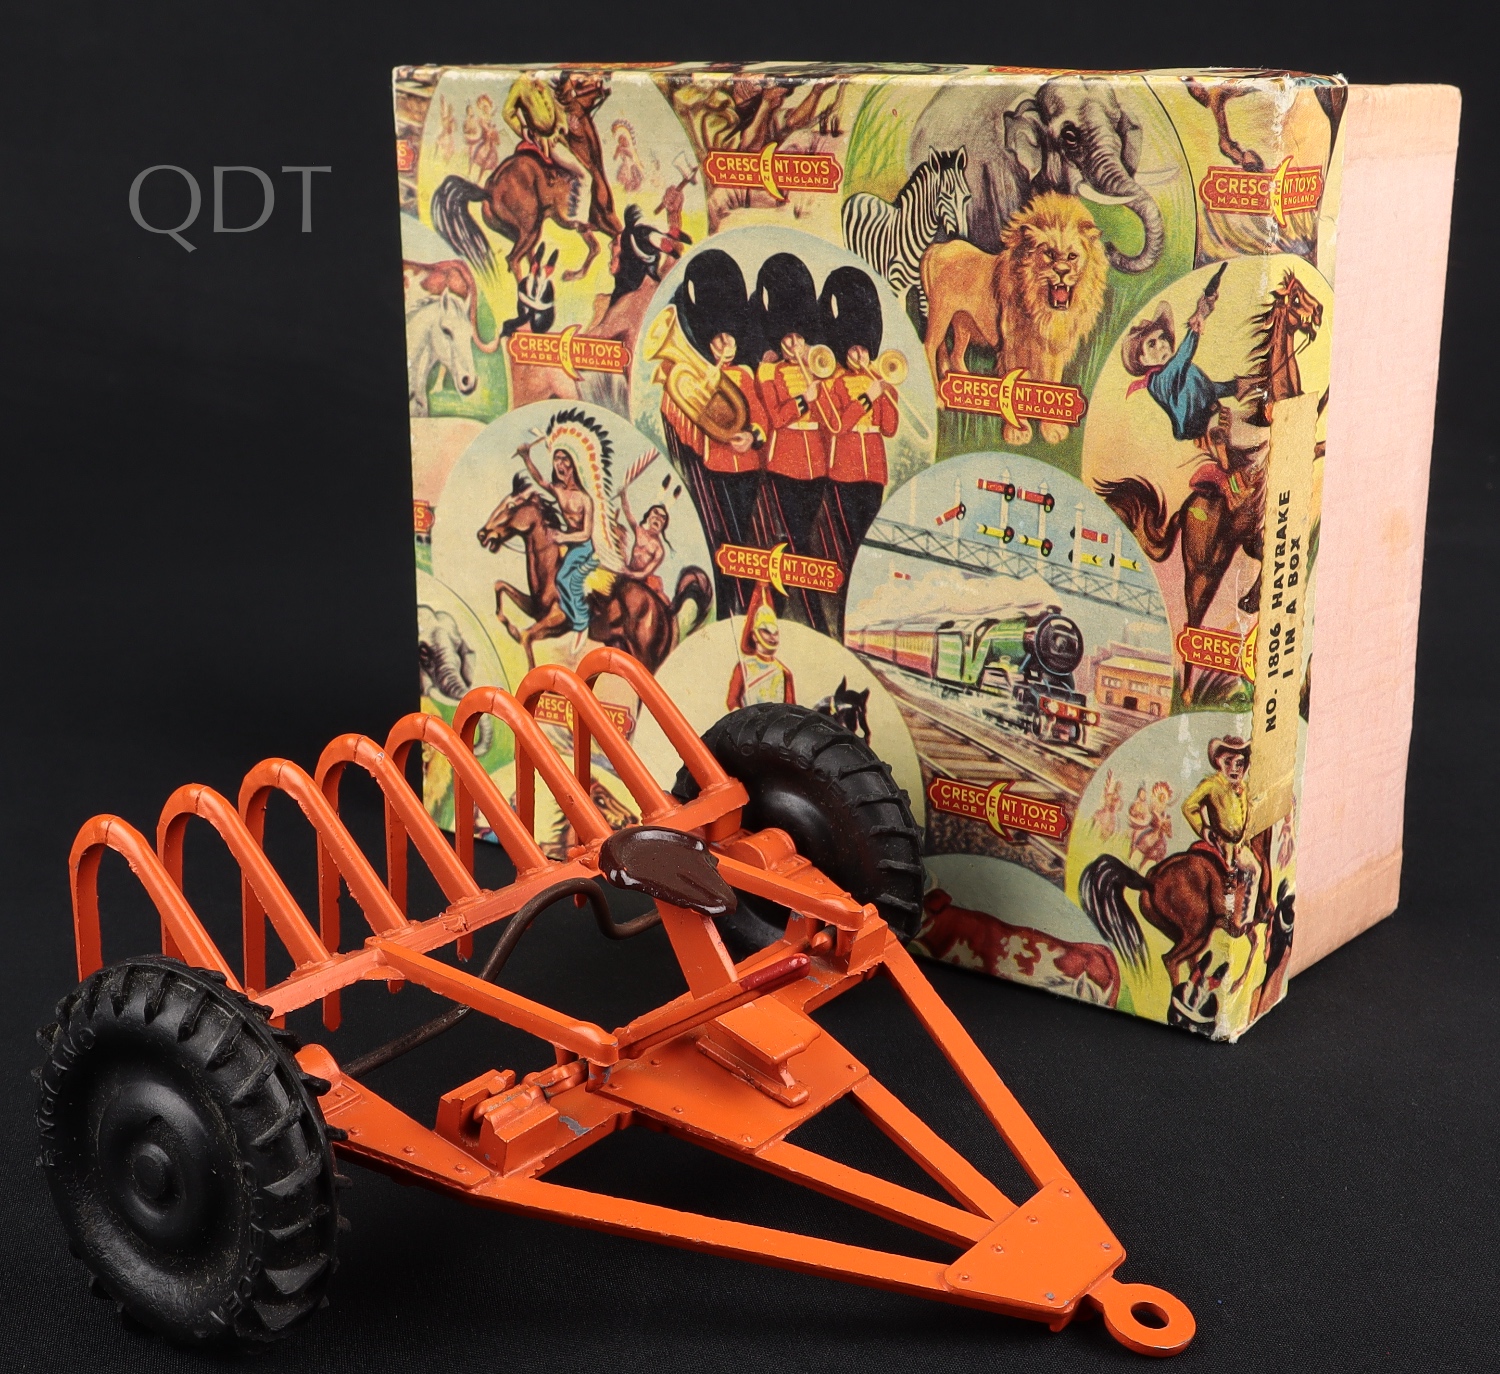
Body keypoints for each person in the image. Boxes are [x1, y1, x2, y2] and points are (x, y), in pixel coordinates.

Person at [817, 265, 897, 639]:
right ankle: (846, 614)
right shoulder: (835, 384)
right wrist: (867, 396)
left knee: (867, 546)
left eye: (863, 348)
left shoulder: (878, 381)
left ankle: (865, 614)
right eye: (853, 349)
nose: (859, 354)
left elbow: (890, 427)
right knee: (850, 549)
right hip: (844, 473)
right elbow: (838, 425)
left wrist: (883, 392)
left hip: (873, 473)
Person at [1121, 266, 1258, 461]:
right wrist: (1196, 324)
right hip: (1204, 428)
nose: (1162, 344)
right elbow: (1181, 358)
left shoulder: (1182, 370)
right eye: (1152, 344)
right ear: (1142, 360)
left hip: (1217, 414)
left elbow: (1204, 389)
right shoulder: (1158, 381)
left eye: (1162, 338)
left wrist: (1236, 386)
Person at [516, 434, 596, 647]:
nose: (559, 464)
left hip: (583, 546)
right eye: (556, 459)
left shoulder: (585, 499)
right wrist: (526, 457)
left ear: (573, 465)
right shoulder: (559, 491)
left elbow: (586, 534)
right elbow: (540, 480)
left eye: (564, 459)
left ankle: (581, 621)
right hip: (568, 544)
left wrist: (564, 537)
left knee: (563, 578)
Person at [1182, 735, 1262, 929]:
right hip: (1221, 842)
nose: (1234, 768)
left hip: (1238, 843)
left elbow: (1246, 813)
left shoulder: (1243, 788)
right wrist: (1204, 829)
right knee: (1228, 878)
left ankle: (1245, 918)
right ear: (1219, 762)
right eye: (1228, 762)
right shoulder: (1212, 785)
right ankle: (1226, 918)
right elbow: (1189, 806)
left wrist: (1244, 838)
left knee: (1256, 870)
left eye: (1239, 764)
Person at [501, 72, 589, 185]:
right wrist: (523, 129)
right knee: (581, 173)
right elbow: (507, 112)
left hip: (557, 133)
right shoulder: (519, 85)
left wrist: (562, 123)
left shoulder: (542, 79)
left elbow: (554, 103)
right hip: (544, 140)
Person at [726, 583, 795, 708]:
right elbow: (732, 701)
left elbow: (791, 708)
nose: (772, 637)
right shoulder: (743, 668)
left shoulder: (784, 673)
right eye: (766, 631)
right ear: (754, 635)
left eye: (775, 633)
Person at [618, 481, 669, 598]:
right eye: (655, 513)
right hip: (628, 573)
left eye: (662, 518)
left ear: (663, 525)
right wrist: (623, 495)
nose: (658, 518)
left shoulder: (659, 550)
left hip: (642, 582)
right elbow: (627, 512)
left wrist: (631, 574)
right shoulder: (639, 532)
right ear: (648, 517)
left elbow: (645, 572)